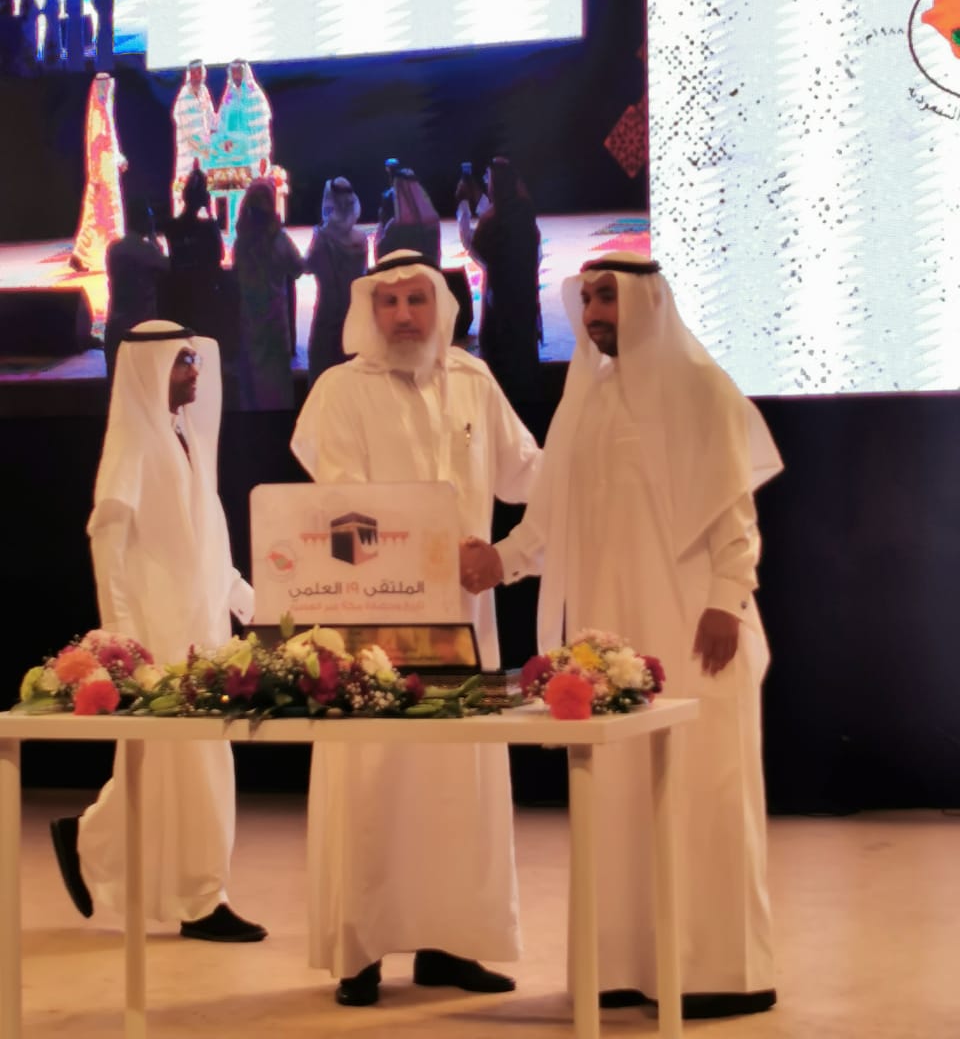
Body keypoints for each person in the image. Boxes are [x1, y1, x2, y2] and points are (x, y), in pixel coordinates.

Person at [462, 252, 783, 1020]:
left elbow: (736, 517)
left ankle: (717, 972)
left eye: (609, 297)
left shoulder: (701, 388)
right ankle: (623, 966)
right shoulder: (587, 402)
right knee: (617, 798)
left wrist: (727, 600)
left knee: (704, 794)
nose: (596, 313)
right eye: (588, 299)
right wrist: (499, 561)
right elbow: (548, 520)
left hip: (698, 631)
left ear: (646, 301)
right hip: (612, 640)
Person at [290, 250, 541, 1007]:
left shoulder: (474, 381)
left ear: (441, 306)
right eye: (390, 301)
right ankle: (360, 953)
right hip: (374, 621)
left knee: (457, 781)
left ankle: (448, 945)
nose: (403, 316)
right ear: (369, 309)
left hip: (466, 619)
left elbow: (530, 475)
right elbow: (342, 506)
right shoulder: (340, 391)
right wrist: (435, 549)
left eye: (416, 300)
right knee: (372, 781)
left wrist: (510, 555)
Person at [49, 320, 267, 944]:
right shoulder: (135, 444)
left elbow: (206, 544)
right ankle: (201, 900)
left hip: (201, 630)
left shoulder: (183, 438)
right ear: (150, 371)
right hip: (159, 637)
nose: (194, 373)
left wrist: (251, 603)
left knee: (184, 765)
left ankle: (94, 839)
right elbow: (108, 538)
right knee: (185, 768)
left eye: (195, 360)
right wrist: (120, 636)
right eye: (181, 362)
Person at [460, 157, 542, 405]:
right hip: (525, 293)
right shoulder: (525, 213)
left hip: (501, 298)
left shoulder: (492, 221)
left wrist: (464, 215)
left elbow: (478, 252)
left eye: (489, 178)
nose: (487, 182)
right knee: (523, 350)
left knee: (500, 351)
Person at [231, 179, 303, 409]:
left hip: (250, 322)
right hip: (274, 324)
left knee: (252, 386)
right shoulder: (279, 240)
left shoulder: (241, 243)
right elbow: (298, 268)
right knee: (276, 388)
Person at [304, 176, 367, 382]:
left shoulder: (322, 238)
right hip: (354, 312)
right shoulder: (361, 240)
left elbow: (307, 266)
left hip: (327, 314)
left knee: (324, 373)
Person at [103, 198, 169, 381]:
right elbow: (168, 267)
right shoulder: (147, 251)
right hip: (141, 327)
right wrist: (154, 238)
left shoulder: (114, 249)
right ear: (144, 221)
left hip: (116, 327)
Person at [70, 73, 127, 273]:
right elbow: (95, 146)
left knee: (96, 213)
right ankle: (118, 254)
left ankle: (81, 254)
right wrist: (96, 175)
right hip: (101, 171)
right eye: (101, 86)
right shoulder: (97, 112)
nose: (104, 90)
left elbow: (111, 141)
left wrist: (118, 158)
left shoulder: (105, 109)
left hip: (107, 167)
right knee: (107, 212)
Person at [163, 165, 225, 344]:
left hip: (179, 294)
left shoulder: (171, 227)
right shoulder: (208, 228)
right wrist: (210, 213)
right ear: (205, 199)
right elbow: (219, 256)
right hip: (203, 295)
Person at [208, 59, 272, 183]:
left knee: (253, 188)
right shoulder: (229, 97)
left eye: (239, 71)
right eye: (233, 72)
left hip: (252, 155)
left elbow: (263, 129)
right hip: (233, 155)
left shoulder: (255, 95)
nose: (236, 75)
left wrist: (264, 155)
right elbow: (221, 123)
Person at [171, 60, 217, 206]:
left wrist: (220, 135)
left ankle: (209, 216)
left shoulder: (204, 92)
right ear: (189, 75)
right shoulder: (184, 97)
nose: (197, 76)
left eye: (200, 72)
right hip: (188, 150)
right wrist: (206, 148)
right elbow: (189, 132)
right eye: (194, 73)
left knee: (207, 187)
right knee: (184, 185)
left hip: (204, 150)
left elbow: (211, 118)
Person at [374, 166, 441, 265]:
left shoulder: (393, 227)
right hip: (428, 271)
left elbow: (380, 255)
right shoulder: (432, 220)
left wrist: (381, 225)